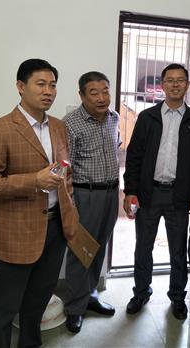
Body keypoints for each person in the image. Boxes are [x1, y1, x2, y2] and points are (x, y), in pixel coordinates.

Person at [0, 58, 79, 348]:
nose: (48, 91)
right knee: (3, 309)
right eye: (41, 84)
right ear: (21, 86)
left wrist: (70, 210)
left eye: (53, 85)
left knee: (37, 303)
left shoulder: (59, 127)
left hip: (55, 229)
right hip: (17, 232)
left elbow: (65, 173)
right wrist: (34, 180)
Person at [123, 63, 190, 320]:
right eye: (170, 80)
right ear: (162, 85)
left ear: (187, 85)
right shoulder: (147, 117)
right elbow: (134, 156)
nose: (175, 84)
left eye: (180, 80)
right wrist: (130, 191)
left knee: (178, 252)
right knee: (143, 247)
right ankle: (141, 293)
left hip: (179, 197)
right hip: (148, 193)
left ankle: (178, 297)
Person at [63, 71, 121, 333]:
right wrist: (71, 204)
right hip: (85, 194)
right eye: (94, 93)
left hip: (111, 193)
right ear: (82, 95)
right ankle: (75, 308)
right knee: (81, 250)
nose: (101, 98)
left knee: (99, 248)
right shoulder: (71, 124)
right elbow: (66, 168)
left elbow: (116, 149)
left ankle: (90, 296)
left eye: (105, 91)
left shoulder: (114, 117)